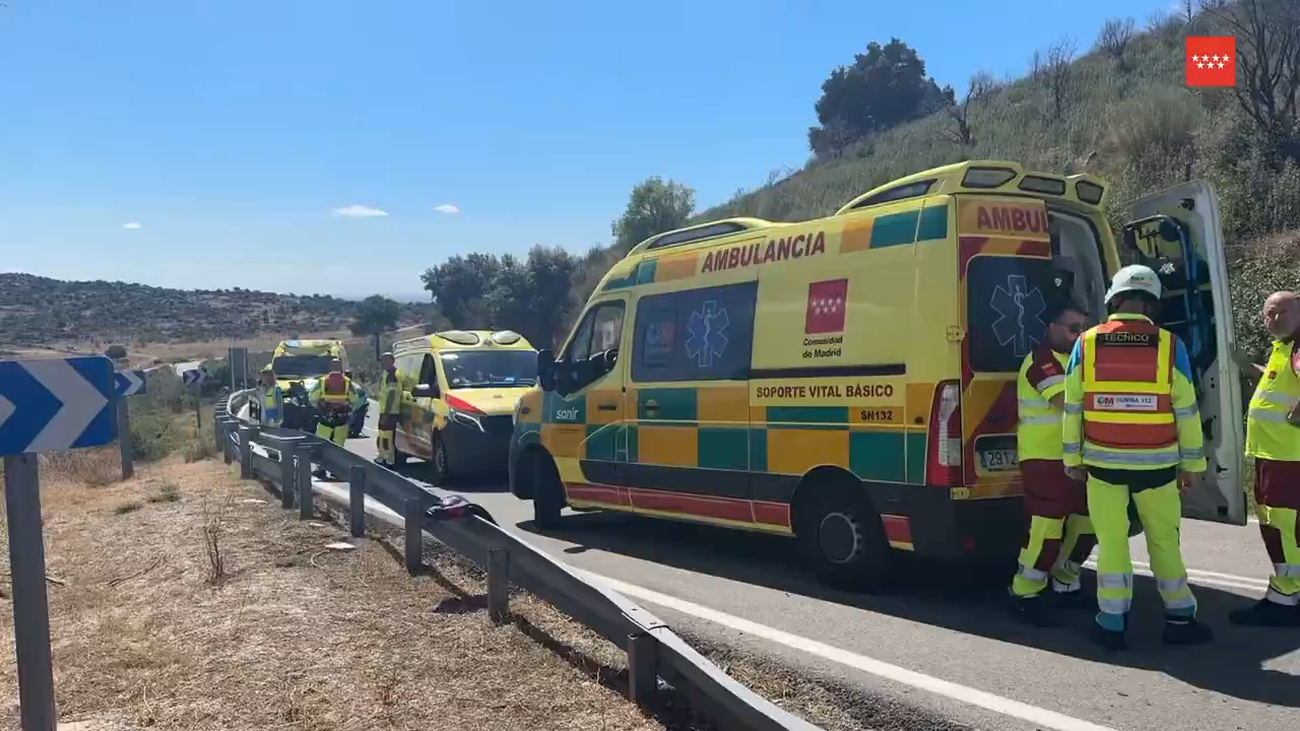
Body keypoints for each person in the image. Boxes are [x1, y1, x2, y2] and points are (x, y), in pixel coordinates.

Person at [1062, 264, 1212, 649]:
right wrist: (1192, 465)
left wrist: (1072, 459)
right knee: (1164, 542)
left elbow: (1073, 407)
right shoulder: (1169, 346)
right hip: (1158, 469)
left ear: (1114, 297)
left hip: (1103, 466)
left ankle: (1112, 622)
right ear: (1154, 302)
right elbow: (1187, 410)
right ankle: (1180, 617)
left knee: (1112, 543)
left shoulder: (1086, 343)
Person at [1009, 301, 1098, 625]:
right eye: (1073, 328)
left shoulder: (1080, 361)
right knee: (1046, 529)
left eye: (1083, 329)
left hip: (1079, 458)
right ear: (1052, 327)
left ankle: (1065, 582)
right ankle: (1024, 592)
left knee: (1087, 524)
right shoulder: (1041, 361)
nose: (1079, 335)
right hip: (1045, 459)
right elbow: (1068, 403)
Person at [1229, 291, 1300, 627]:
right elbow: (1277, 384)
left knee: (1281, 525)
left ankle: (1287, 594)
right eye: (1269, 312)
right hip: (1273, 454)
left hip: (1287, 457)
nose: (1274, 318)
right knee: (1281, 524)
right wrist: (1245, 366)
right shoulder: (1283, 349)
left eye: (1282, 311)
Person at [308, 358, 362, 477]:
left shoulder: (322, 381)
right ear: (340, 367)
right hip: (342, 419)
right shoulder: (347, 382)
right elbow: (356, 400)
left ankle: (321, 469)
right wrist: (349, 409)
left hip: (325, 417)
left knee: (322, 443)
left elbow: (312, 397)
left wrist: (319, 406)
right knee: (339, 446)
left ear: (330, 367)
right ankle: (336, 471)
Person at [375, 352, 401, 467]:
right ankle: (382, 457)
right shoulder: (386, 373)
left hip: (390, 411)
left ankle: (389, 459)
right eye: (382, 361)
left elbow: (391, 394)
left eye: (385, 361)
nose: (382, 363)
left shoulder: (392, 374)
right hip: (384, 410)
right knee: (383, 435)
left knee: (388, 436)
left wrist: (387, 412)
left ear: (392, 361)